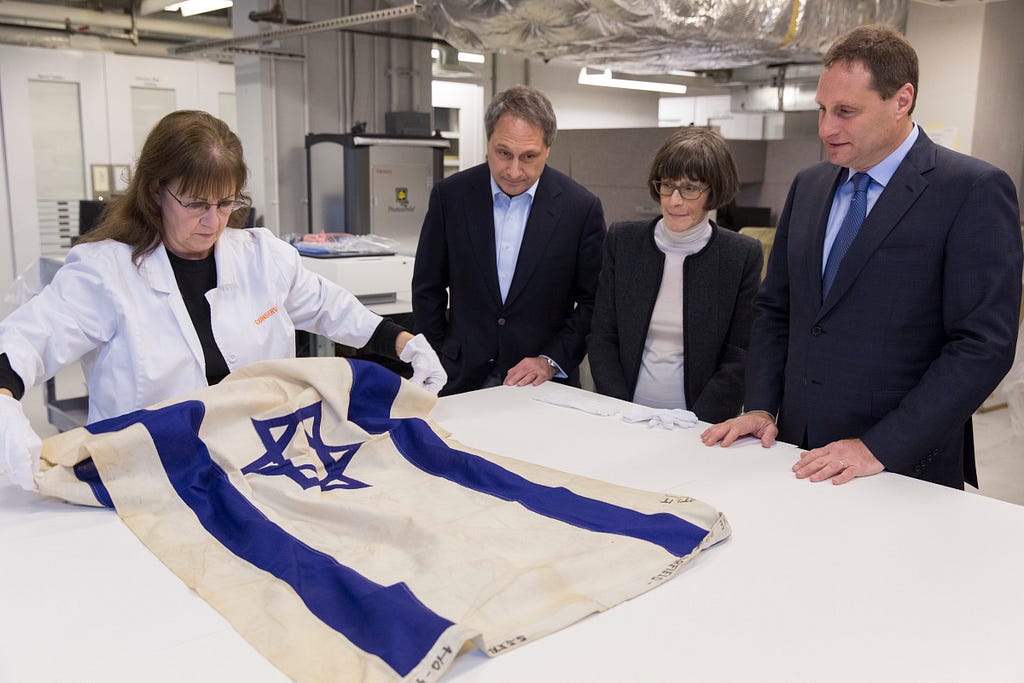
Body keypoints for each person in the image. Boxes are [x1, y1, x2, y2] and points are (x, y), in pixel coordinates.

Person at [0, 109, 446, 492]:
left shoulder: (259, 255)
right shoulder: (105, 274)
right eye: (195, 204)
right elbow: (29, 338)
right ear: (156, 191)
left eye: (225, 202)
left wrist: (404, 343)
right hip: (150, 476)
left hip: (260, 467)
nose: (212, 221)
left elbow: (328, 306)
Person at [701, 24, 1023, 489]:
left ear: (902, 100)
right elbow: (777, 309)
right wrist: (760, 406)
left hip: (901, 467)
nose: (826, 128)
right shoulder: (809, 186)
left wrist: (880, 446)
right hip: (795, 451)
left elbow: (982, 347)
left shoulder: (971, 191)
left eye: (846, 112)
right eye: (822, 110)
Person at [412, 85, 605, 395]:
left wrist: (550, 360)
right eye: (503, 153)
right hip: (459, 378)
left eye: (529, 156)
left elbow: (593, 302)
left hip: (541, 385)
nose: (514, 171)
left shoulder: (580, 208)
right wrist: (437, 354)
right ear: (487, 142)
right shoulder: (451, 196)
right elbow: (427, 288)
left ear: (548, 149)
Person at [588, 127, 763, 423]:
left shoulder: (740, 255)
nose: (674, 201)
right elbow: (603, 337)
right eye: (667, 185)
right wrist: (621, 411)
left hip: (700, 425)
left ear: (714, 191)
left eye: (690, 188)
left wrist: (695, 422)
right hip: (622, 417)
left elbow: (739, 355)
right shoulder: (624, 241)